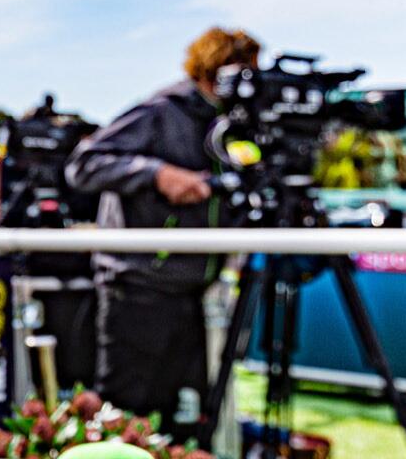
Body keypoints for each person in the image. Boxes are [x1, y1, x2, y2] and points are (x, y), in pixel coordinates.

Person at [65, 27, 260, 442]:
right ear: (213, 69)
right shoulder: (161, 111)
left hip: (192, 293)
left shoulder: (229, 123)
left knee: (180, 424)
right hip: (137, 289)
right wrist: (157, 175)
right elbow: (84, 164)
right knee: (124, 421)